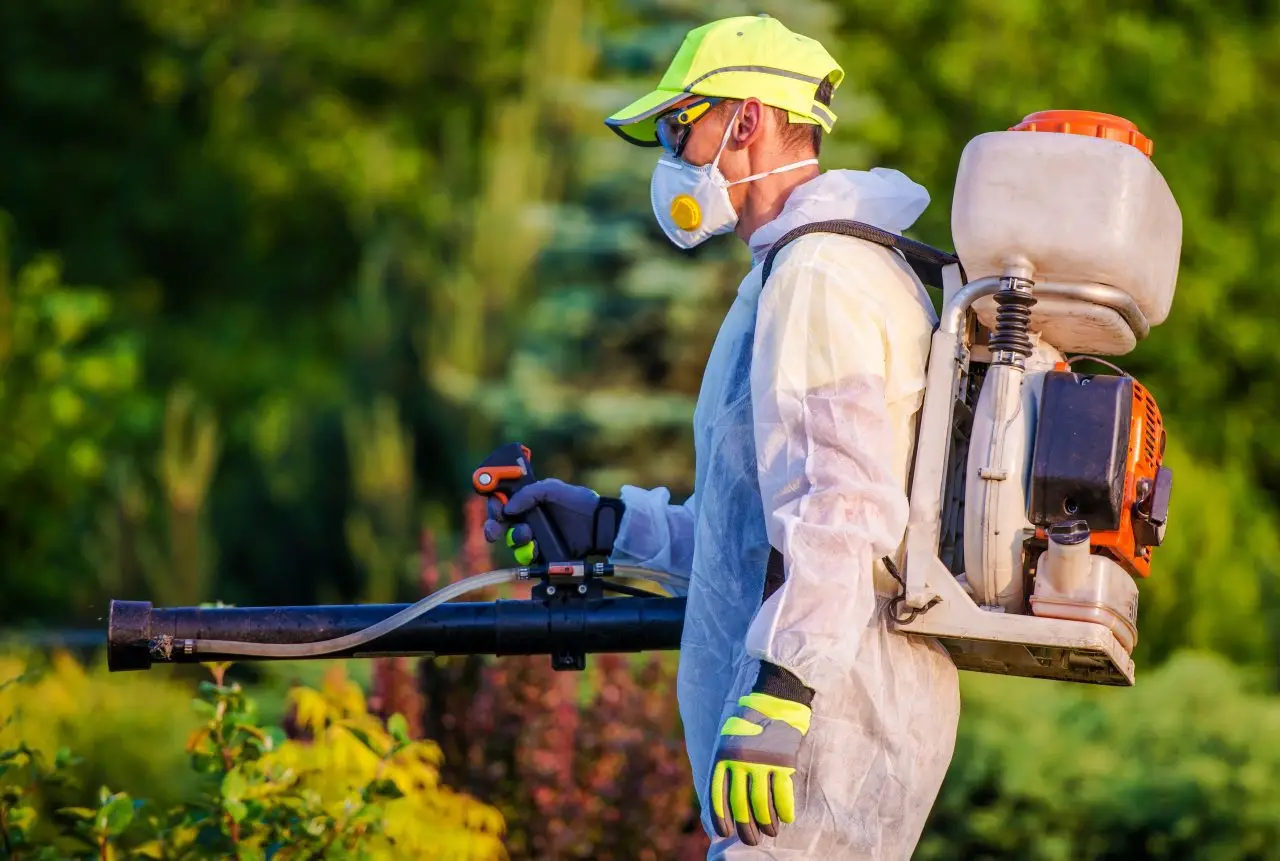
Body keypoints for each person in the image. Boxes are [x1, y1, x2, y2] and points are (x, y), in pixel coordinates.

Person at [483, 14, 960, 859]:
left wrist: (782, 688)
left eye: (679, 125)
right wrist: (609, 527)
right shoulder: (798, 269)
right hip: (812, 733)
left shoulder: (820, 274)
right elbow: (753, 535)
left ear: (743, 120)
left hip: (821, 738)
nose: (670, 154)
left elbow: (842, 509)